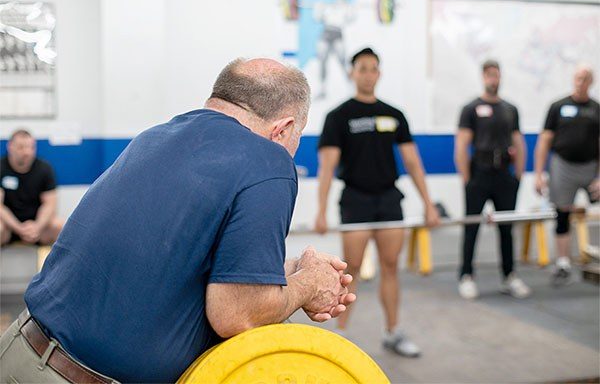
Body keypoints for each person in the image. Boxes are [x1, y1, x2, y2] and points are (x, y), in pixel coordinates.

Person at [0, 58, 356, 384]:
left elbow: (177, 260)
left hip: (19, 350)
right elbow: (237, 314)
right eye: (297, 138)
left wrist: (289, 271)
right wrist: (308, 285)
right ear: (284, 128)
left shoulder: (155, 138)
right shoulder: (267, 160)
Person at [315, 47, 440, 357]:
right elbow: (327, 168)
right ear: (352, 73)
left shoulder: (394, 114)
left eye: (373, 68)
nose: (368, 74)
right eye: (362, 68)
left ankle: (393, 332)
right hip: (355, 201)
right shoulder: (338, 116)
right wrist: (320, 211)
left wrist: (428, 203)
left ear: (379, 74)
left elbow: (412, 162)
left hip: (388, 200)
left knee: (391, 267)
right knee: (351, 269)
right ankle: (339, 340)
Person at [454, 59, 531, 300]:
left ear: (500, 77)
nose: (492, 79)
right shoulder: (471, 108)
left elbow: (518, 141)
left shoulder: (510, 109)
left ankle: (509, 276)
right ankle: (466, 276)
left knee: (506, 229)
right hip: (479, 175)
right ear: (483, 77)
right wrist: (467, 179)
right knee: (472, 227)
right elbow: (461, 145)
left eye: (496, 75)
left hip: (504, 176)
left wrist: (518, 176)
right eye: (488, 75)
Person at [534, 64, 600, 286]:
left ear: (591, 82)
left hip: (590, 166)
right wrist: (538, 173)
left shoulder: (596, 109)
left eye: (586, 79)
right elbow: (544, 141)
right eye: (578, 78)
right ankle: (563, 262)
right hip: (563, 166)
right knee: (562, 213)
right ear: (573, 80)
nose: (581, 82)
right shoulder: (558, 106)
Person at [1, 129, 63, 246]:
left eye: (31, 147)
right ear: (10, 147)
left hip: (38, 227)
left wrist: (37, 226)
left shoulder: (44, 169)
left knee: (60, 226)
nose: (27, 152)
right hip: (8, 226)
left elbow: (50, 204)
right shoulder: (1, 168)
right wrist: (18, 228)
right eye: (21, 147)